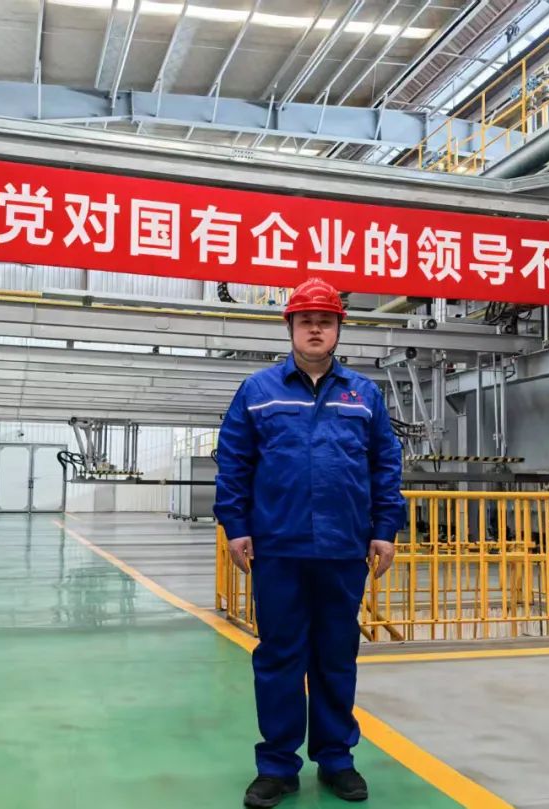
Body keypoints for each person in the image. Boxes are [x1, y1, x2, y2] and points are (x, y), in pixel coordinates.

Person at [214, 277, 406, 807]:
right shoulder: (258, 391)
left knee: (335, 657)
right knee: (279, 657)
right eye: (306, 321)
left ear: (339, 328)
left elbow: (385, 466)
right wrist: (236, 525)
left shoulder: (364, 395)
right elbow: (234, 462)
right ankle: (277, 765)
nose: (315, 329)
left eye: (325, 321)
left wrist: (384, 530)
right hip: (279, 548)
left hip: (343, 548)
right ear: (291, 329)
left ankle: (336, 758)